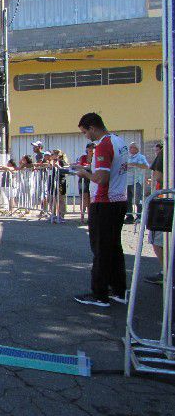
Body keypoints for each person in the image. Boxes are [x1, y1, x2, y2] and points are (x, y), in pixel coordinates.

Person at [72, 113, 128, 307]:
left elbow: (102, 178)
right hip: (118, 200)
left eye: (85, 132)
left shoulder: (103, 145)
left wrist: (84, 173)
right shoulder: (119, 141)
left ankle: (100, 295)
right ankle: (119, 290)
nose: (86, 136)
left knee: (101, 248)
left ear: (93, 128)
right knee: (114, 247)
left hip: (104, 203)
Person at [144, 147, 165, 285]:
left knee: (158, 240)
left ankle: (167, 272)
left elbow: (158, 176)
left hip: (165, 202)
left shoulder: (166, 151)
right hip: (165, 199)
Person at [124, 142, 149, 224]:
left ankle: (139, 216)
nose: (131, 149)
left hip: (137, 181)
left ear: (136, 149)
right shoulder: (127, 157)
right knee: (128, 200)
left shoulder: (141, 157)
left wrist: (135, 164)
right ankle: (129, 216)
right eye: (130, 147)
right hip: (128, 181)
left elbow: (146, 166)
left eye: (132, 147)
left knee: (138, 200)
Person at [77, 143, 95, 224]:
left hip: (93, 179)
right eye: (89, 148)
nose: (91, 150)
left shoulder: (95, 158)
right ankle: (82, 216)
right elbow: (79, 166)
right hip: (83, 179)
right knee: (83, 197)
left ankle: (90, 216)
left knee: (90, 198)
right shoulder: (83, 157)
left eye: (92, 148)